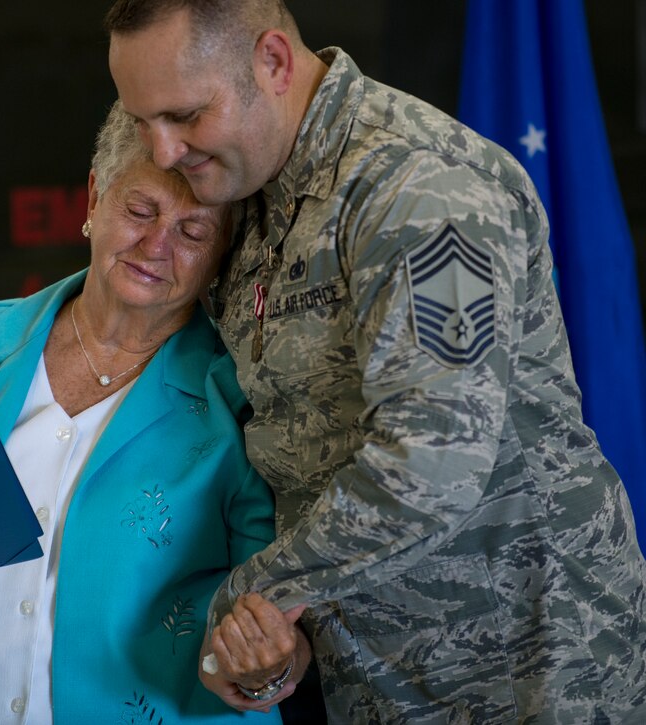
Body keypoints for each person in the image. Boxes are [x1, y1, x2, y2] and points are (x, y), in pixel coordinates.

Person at [105, 0, 646, 722]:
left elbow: (432, 465)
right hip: (372, 674)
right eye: (144, 121)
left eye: (186, 115)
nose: (163, 150)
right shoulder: (243, 186)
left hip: (526, 671)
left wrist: (246, 597)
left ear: (272, 61)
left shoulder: (421, 188)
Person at [0, 100, 312, 724]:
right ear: (93, 198)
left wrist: (266, 668)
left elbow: (281, 641)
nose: (155, 246)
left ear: (222, 253)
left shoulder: (245, 402)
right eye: (140, 211)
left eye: (193, 233)